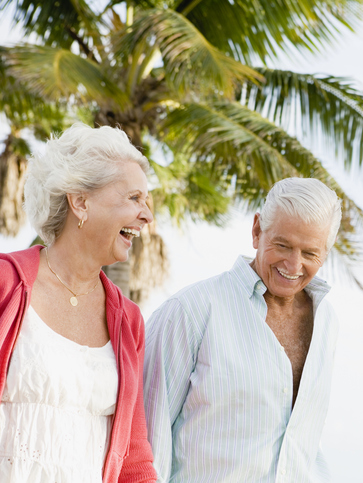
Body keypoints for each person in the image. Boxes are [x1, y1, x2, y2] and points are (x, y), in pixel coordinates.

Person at [143, 177, 342, 482]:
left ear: (326, 252)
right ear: (257, 230)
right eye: (283, 245)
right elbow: (146, 441)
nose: (293, 264)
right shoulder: (190, 311)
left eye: (310, 253)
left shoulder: (326, 321)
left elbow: (301, 442)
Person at [0, 123, 158, 483]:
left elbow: (134, 459)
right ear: (80, 201)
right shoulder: (6, 283)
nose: (147, 215)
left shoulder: (128, 320)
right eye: (134, 198)